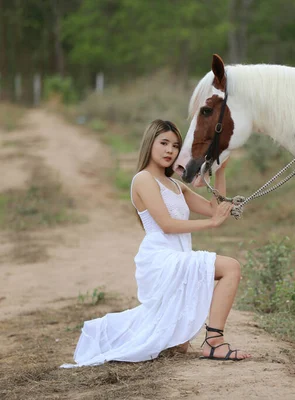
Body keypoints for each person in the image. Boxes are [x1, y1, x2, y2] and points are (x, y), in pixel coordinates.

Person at [61, 119, 250, 368]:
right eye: (163, 143)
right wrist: (212, 224)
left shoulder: (174, 185)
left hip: (177, 255)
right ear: (150, 144)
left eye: (175, 145)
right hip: (160, 258)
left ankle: (182, 340)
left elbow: (213, 208)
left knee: (175, 343)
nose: (170, 150)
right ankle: (214, 341)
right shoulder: (143, 180)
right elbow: (167, 225)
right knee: (231, 267)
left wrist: (221, 170)